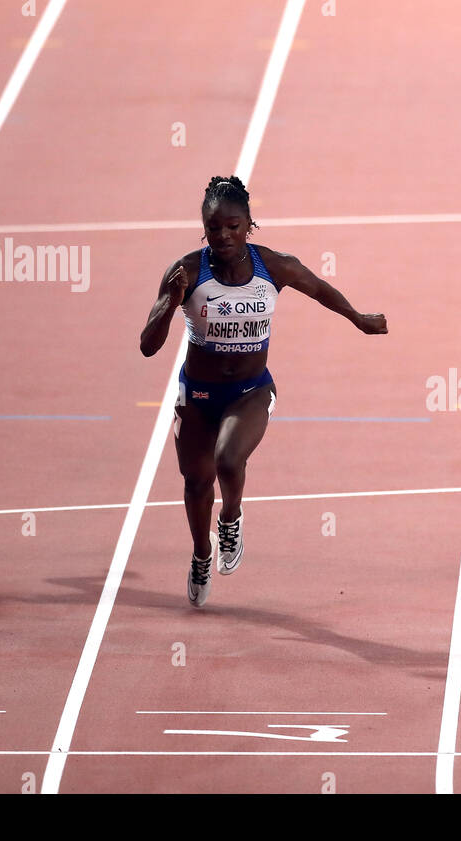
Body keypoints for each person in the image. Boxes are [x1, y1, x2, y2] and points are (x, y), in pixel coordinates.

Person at [140, 176, 387, 607]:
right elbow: (147, 346)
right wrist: (168, 303)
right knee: (196, 482)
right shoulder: (187, 272)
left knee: (227, 459)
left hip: (250, 390)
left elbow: (320, 289)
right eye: (214, 228)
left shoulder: (273, 266)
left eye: (233, 227)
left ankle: (231, 518)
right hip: (196, 396)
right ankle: (202, 553)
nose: (223, 236)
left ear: (250, 224)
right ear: (204, 228)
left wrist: (358, 317)